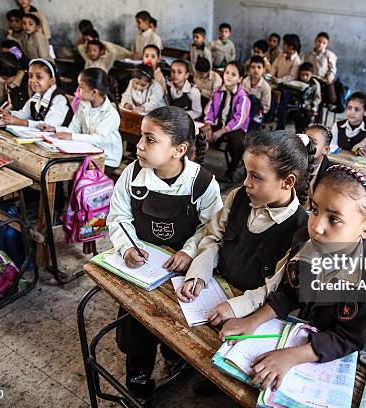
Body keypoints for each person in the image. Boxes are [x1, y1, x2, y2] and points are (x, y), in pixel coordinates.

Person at [219, 162, 366, 390]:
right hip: (300, 326)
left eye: (334, 219)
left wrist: (291, 356)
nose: (316, 226)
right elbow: (289, 293)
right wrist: (252, 321)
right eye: (314, 210)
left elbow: (348, 338)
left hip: (336, 350)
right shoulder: (305, 242)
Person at [108, 106, 223, 398]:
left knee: (178, 324)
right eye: (141, 137)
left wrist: (188, 251)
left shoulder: (203, 183)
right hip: (142, 268)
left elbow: (212, 228)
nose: (140, 145)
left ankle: (174, 357)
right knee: (136, 321)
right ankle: (138, 370)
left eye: (150, 139)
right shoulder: (132, 175)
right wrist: (128, 248)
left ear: (179, 149)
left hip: (181, 272)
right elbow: (119, 217)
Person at [177, 130, 313, 324]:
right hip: (212, 290)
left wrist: (236, 307)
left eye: (256, 177)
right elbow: (214, 238)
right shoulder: (238, 197)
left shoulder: (300, 229)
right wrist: (199, 273)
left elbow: (274, 287)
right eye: (247, 173)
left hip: (248, 314)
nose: (246, 183)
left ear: (288, 182)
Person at [40, 68, 122, 174]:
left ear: (94, 92)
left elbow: (98, 139)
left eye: (81, 87)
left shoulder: (110, 113)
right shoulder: (84, 105)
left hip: (107, 159)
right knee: (65, 170)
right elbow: (73, 128)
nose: (77, 90)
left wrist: (71, 136)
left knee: (78, 176)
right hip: (89, 152)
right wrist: (55, 129)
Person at [202, 61, 250, 182]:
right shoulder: (218, 91)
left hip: (235, 128)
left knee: (238, 144)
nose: (228, 76)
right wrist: (208, 125)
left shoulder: (243, 97)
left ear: (239, 79)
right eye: (227, 72)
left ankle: (231, 170)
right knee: (200, 134)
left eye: (233, 74)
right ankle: (198, 164)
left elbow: (239, 119)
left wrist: (221, 132)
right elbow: (210, 109)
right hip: (219, 122)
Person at [0, 58, 72, 129]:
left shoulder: (59, 99)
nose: (32, 80)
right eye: (30, 76)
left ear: (52, 81)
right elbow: (24, 114)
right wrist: (8, 113)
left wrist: (21, 122)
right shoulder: (36, 96)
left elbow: (48, 126)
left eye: (39, 77)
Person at [293, 62, 322, 133]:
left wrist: (311, 105)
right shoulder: (297, 83)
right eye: (302, 75)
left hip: (311, 106)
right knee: (296, 114)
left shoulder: (315, 84)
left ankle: (302, 130)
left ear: (311, 74)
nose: (304, 77)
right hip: (299, 105)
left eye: (307, 75)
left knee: (308, 115)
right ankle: (298, 131)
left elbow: (318, 98)